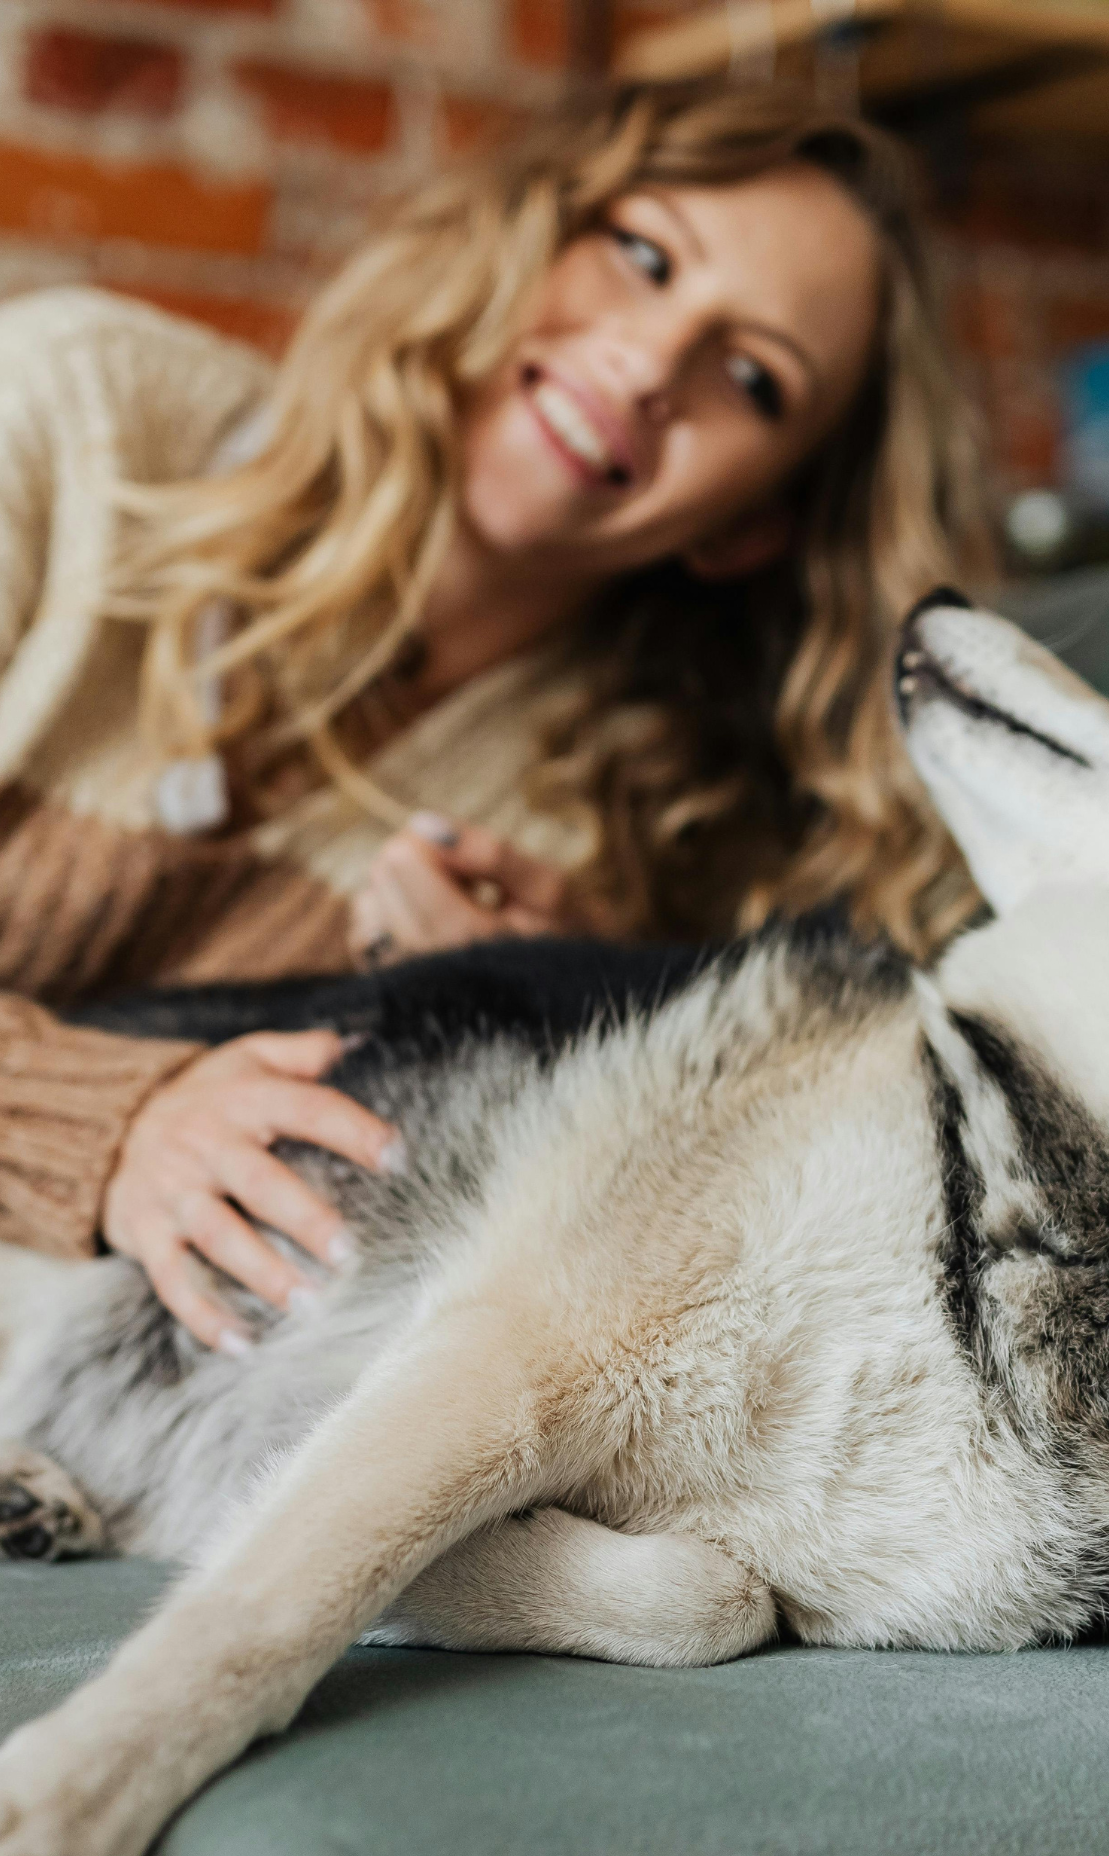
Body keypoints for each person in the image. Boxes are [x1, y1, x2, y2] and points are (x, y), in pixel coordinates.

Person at [0, 81, 992, 1355]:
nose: (644, 367)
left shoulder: (601, 840)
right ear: (525, 232)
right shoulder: (75, 418)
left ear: (754, 524)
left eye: (749, 378)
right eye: (641, 257)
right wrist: (116, 1119)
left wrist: (549, 1017)